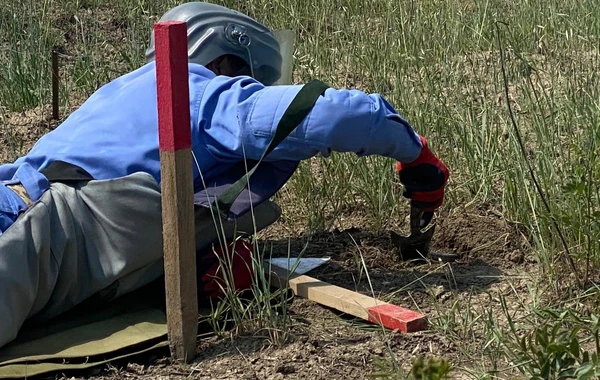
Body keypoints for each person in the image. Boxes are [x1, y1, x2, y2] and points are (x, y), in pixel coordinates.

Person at [0, 2, 449, 349]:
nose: (248, 89)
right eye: (249, 79)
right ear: (225, 60)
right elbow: (332, 116)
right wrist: (416, 154)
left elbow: (141, 194)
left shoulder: (119, 93)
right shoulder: (200, 90)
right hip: (26, 226)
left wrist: (196, 259)